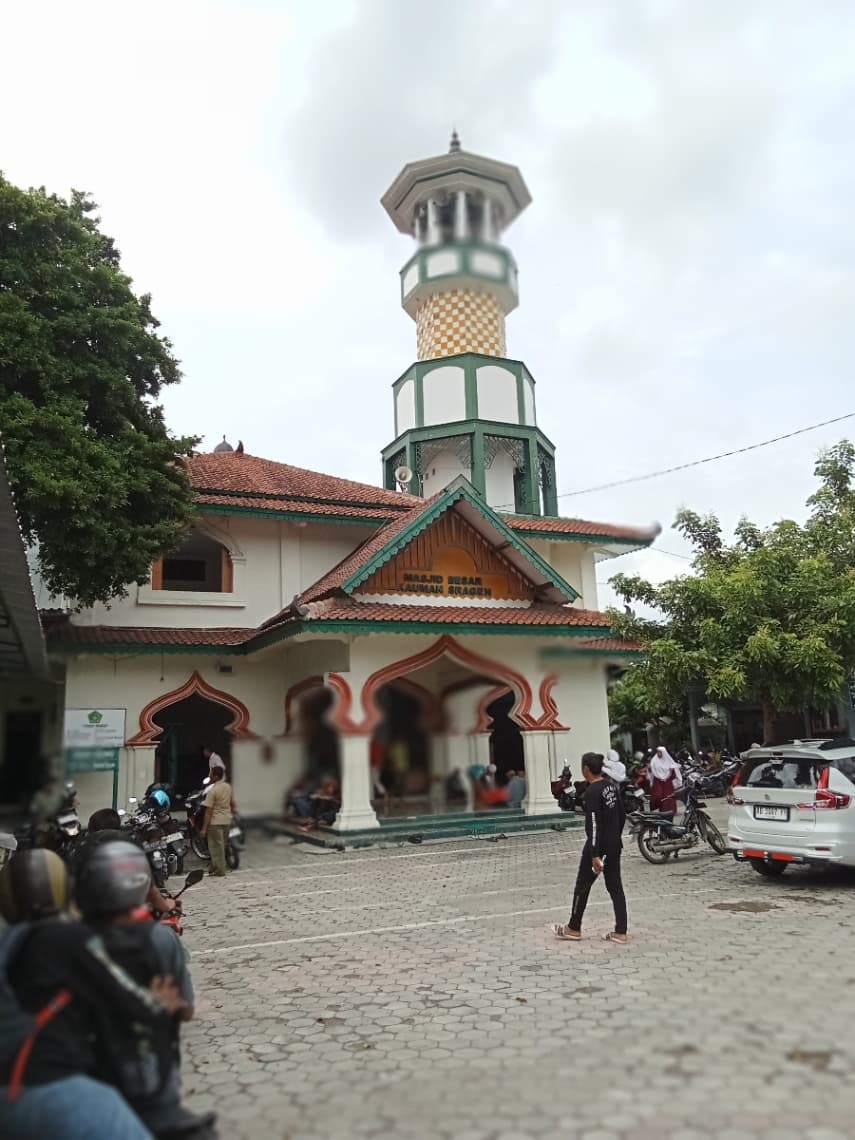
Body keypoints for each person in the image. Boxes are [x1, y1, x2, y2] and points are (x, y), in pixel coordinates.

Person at [0, 848, 184, 1140]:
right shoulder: (68, 938)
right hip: (53, 1086)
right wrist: (160, 1004)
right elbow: (126, 996)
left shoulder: (9, 943)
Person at [75, 841, 215, 1139]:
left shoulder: (70, 942)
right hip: (153, 1083)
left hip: (91, 1086)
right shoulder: (161, 940)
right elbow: (185, 1011)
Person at [554, 752, 628, 944]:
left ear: (586, 768)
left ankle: (573, 928)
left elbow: (594, 824)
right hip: (614, 844)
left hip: (598, 847)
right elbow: (622, 815)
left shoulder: (593, 791)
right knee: (615, 886)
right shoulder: (611, 786)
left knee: (582, 885)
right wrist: (615, 837)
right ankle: (621, 931)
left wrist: (595, 854)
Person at [200, 766, 234, 877]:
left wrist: (204, 829)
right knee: (222, 846)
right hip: (226, 820)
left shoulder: (213, 790)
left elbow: (208, 811)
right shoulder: (228, 787)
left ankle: (220, 870)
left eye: (211, 774)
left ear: (215, 776)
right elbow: (232, 802)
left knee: (215, 847)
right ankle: (213, 868)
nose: (209, 776)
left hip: (215, 822)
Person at [647, 746, 683, 815]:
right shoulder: (654, 761)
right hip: (657, 782)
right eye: (658, 752)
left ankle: (670, 811)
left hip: (667, 783)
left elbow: (674, 772)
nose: (658, 754)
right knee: (658, 796)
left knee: (668, 797)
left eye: (660, 752)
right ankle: (661, 811)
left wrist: (672, 777)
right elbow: (651, 770)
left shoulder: (669, 761)